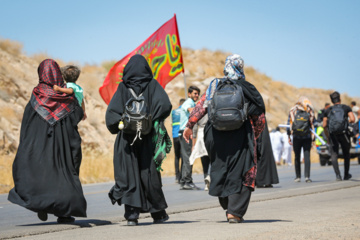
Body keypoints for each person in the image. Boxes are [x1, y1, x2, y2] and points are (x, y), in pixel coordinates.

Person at [183, 54, 266, 223]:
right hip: (241, 136)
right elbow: (259, 117)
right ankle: (234, 212)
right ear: (240, 68)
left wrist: (189, 125)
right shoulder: (246, 87)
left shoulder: (215, 86)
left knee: (221, 170)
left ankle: (227, 205)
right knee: (242, 171)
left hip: (216, 135)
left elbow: (201, 107)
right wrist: (255, 134)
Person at [8, 59, 87, 223]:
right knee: (63, 175)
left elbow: (27, 122)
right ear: (58, 73)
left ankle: (42, 205)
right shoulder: (66, 96)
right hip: (63, 145)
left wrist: (27, 144)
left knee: (42, 174)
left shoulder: (36, 96)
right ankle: (64, 214)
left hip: (39, 146)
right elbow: (77, 116)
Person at [105, 55, 172, 226]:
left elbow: (111, 116)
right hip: (148, 138)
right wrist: (151, 119)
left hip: (127, 140)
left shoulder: (123, 87)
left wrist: (121, 124)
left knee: (129, 175)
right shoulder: (152, 85)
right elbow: (165, 105)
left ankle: (132, 216)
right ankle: (158, 214)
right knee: (148, 174)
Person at [323, 91, 355, 180]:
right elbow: (352, 119)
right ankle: (346, 174)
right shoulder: (346, 108)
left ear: (331, 101)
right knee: (346, 153)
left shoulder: (328, 110)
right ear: (340, 99)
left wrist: (328, 136)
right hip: (344, 134)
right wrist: (345, 123)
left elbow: (324, 125)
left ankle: (338, 175)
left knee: (334, 154)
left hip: (333, 134)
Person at [287, 96, 315, 183]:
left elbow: (289, 124)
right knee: (307, 157)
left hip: (296, 137)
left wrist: (289, 136)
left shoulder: (293, 110)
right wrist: (313, 138)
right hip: (307, 137)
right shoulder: (309, 110)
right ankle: (307, 176)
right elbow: (314, 123)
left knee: (297, 157)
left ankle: (298, 176)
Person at [179, 86, 200, 190]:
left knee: (185, 157)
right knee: (188, 156)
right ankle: (187, 180)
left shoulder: (191, 102)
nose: (196, 95)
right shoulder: (189, 102)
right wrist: (200, 111)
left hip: (184, 132)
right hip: (186, 132)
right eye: (195, 93)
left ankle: (183, 180)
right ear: (189, 94)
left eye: (197, 94)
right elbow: (189, 109)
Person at [189, 114, 211, 191]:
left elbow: (194, 128)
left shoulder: (200, 109)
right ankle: (209, 175)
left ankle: (206, 181)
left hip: (201, 134)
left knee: (204, 158)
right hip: (211, 131)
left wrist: (193, 144)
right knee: (213, 157)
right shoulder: (213, 103)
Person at [256, 119, 279, 188]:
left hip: (256, 127)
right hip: (262, 128)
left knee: (259, 154)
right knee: (265, 153)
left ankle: (260, 181)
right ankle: (267, 181)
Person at [171, 98, 185, 183]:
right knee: (183, 155)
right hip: (182, 135)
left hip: (175, 135)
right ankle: (183, 175)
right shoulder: (184, 111)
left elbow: (171, 124)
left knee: (177, 156)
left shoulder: (173, 112)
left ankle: (177, 176)